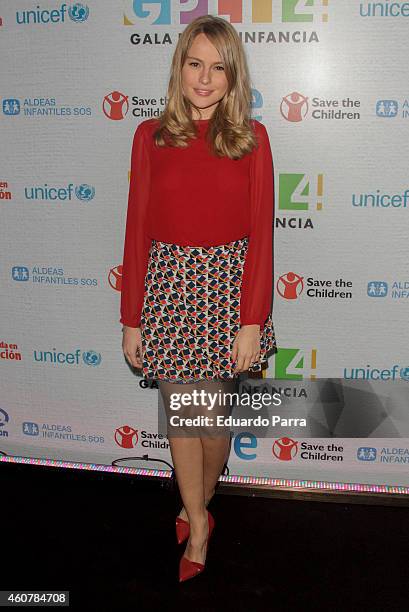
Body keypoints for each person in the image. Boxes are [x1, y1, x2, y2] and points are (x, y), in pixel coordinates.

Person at [120, 14, 277, 582]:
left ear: (233, 77)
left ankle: (198, 501)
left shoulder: (252, 140)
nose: (205, 79)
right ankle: (199, 526)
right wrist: (131, 317)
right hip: (168, 286)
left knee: (213, 423)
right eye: (195, 64)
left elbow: (263, 235)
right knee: (181, 418)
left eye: (218, 67)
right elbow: (136, 228)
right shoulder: (150, 136)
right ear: (179, 66)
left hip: (227, 291)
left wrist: (252, 319)